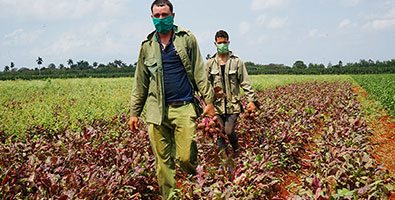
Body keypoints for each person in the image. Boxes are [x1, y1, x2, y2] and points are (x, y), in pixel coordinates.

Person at [128, 0, 215, 199]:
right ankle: (170, 197)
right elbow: (140, 82)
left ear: (173, 16)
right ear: (151, 18)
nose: (161, 19)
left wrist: (208, 101)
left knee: (185, 157)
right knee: (163, 163)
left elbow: (199, 71)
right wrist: (134, 113)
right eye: (157, 16)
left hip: (184, 107)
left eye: (164, 15)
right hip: (156, 112)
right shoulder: (147, 46)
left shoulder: (186, 39)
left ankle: (196, 189)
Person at [205, 30, 256, 157]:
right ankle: (225, 162)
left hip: (233, 105)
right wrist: (207, 102)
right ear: (215, 44)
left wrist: (251, 100)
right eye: (219, 42)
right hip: (217, 106)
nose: (222, 45)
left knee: (228, 130)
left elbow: (245, 82)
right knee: (219, 133)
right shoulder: (210, 63)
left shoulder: (237, 61)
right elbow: (205, 85)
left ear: (228, 42)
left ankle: (236, 151)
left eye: (224, 42)